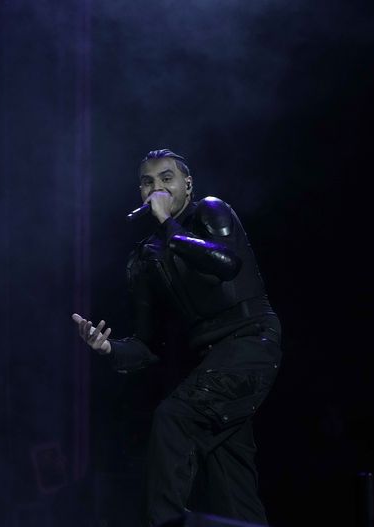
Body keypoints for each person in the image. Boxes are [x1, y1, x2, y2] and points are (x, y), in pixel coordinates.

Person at [72, 149, 282, 526]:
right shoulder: (144, 258)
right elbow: (149, 345)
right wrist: (108, 348)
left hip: (251, 342)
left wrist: (168, 225)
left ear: (187, 184)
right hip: (212, 362)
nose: (157, 189)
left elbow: (226, 263)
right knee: (231, 482)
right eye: (148, 182)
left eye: (166, 179)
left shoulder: (211, 212)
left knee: (173, 418)